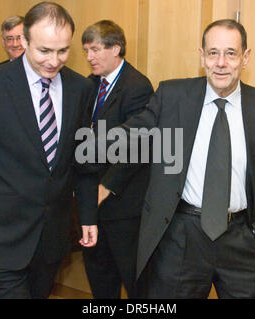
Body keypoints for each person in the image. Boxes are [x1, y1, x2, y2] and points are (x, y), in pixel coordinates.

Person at [86, 19, 255, 298]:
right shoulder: (173, 95)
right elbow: (135, 131)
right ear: (202, 56)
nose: (221, 63)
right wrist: (86, 143)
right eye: (213, 53)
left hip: (241, 240)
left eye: (231, 53)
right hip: (182, 237)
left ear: (245, 57)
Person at [0, 2, 97, 299]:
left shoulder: (80, 89)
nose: (53, 61)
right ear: (24, 39)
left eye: (62, 51)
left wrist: (87, 216)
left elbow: (82, 161)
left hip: (50, 239)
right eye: (44, 51)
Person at [81, 20, 153, 299]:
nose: (89, 57)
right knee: (99, 275)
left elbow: (139, 147)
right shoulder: (88, 85)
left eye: (96, 50)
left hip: (123, 205)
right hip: (91, 202)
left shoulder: (137, 86)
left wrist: (105, 187)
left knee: (134, 278)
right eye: (86, 50)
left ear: (116, 49)